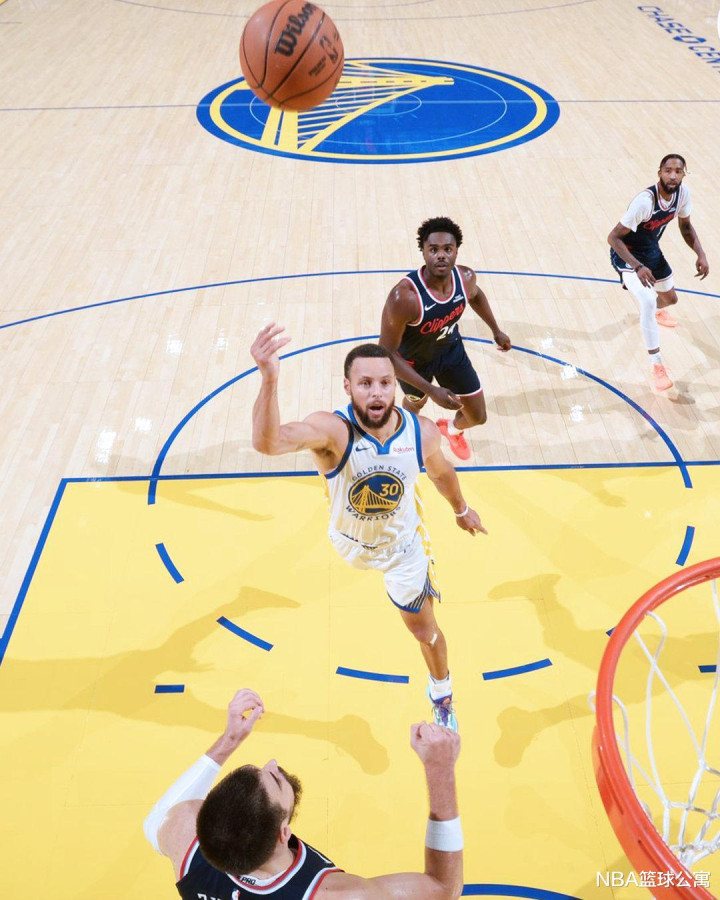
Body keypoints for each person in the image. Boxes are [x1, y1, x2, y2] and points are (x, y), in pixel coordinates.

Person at [250, 324, 487, 731]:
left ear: (395, 385)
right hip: (348, 542)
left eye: (384, 383)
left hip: (401, 549)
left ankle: (441, 693)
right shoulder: (332, 430)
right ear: (348, 387)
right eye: (365, 384)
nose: (376, 393)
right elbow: (268, 443)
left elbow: (442, 473)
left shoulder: (420, 432)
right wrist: (269, 378)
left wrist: (461, 509)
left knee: (425, 632)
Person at [144, 688, 464, 899]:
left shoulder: (183, 838)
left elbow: (159, 818)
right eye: (275, 780)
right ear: (283, 834)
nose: (273, 763)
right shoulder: (335, 895)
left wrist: (230, 740)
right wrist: (440, 770)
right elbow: (443, 888)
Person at [379, 216, 511, 461]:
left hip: (451, 352)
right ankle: (403, 439)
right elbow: (385, 354)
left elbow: (476, 295)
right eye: (433, 249)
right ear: (423, 252)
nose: (441, 255)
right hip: (413, 363)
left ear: (456, 251)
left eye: (447, 249)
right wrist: (432, 390)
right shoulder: (405, 297)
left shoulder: (465, 278)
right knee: (416, 404)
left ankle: (451, 430)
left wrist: (496, 330)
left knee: (478, 416)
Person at [607, 153, 709, 392]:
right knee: (647, 300)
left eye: (678, 171)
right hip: (627, 255)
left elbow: (685, 226)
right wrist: (637, 266)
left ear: (684, 174)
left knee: (670, 299)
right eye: (668, 171)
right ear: (659, 173)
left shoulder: (683, 195)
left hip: (651, 251)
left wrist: (701, 253)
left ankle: (653, 313)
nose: (673, 176)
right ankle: (657, 365)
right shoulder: (645, 202)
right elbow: (613, 238)